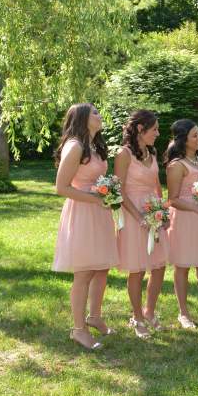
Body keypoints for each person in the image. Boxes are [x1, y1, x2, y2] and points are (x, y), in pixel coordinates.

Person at [53, 103, 118, 350]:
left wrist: (108, 191)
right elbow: (62, 188)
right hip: (82, 213)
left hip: (99, 213)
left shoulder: (95, 146)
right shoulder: (75, 146)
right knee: (84, 274)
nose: (100, 115)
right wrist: (96, 197)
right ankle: (78, 330)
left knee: (101, 268)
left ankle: (95, 316)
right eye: (95, 112)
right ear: (81, 118)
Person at [115, 110, 168, 339]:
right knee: (137, 269)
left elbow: (156, 185)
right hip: (133, 213)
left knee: (159, 266)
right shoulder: (123, 154)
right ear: (140, 129)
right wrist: (139, 217)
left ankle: (149, 311)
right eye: (154, 129)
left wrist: (162, 211)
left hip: (153, 211)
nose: (158, 133)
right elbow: (119, 190)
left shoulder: (152, 152)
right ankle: (136, 316)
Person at [165, 119, 198, 329]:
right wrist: (195, 207)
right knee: (183, 266)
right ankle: (183, 313)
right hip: (185, 219)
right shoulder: (176, 165)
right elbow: (173, 199)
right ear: (183, 139)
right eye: (195, 135)